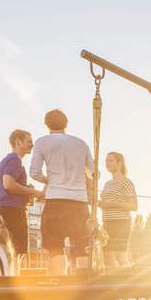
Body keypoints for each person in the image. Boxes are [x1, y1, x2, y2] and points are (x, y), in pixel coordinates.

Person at [30, 109, 94, 275]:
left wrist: (49, 180)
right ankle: (85, 282)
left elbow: (34, 172)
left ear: (46, 124)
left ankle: (58, 281)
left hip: (56, 199)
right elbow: (94, 173)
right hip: (79, 201)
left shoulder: (42, 142)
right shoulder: (81, 144)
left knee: (55, 246)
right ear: (66, 123)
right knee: (83, 245)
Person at [0, 129, 44, 270]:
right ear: (18, 141)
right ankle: (17, 282)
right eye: (29, 142)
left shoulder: (6, 160)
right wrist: (34, 192)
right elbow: (8, 184)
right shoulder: (15, 160)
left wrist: (25, 190)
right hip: (13, 211)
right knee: (18, 251)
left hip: (7, 209)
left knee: (9, 249)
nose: (32, 145)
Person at [99, 152, 138, 267]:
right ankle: (114, 283)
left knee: (120, 255)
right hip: (107, 223)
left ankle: (128, 281)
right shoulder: (107, 184)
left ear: (119, 163)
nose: (107, 163)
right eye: (106, 161)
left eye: (111, 160)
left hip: (121, 222)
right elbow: (105, 204)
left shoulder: (126, 182)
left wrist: (112, 203)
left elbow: (134, 206)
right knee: (107, 255)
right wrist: (98, 203)